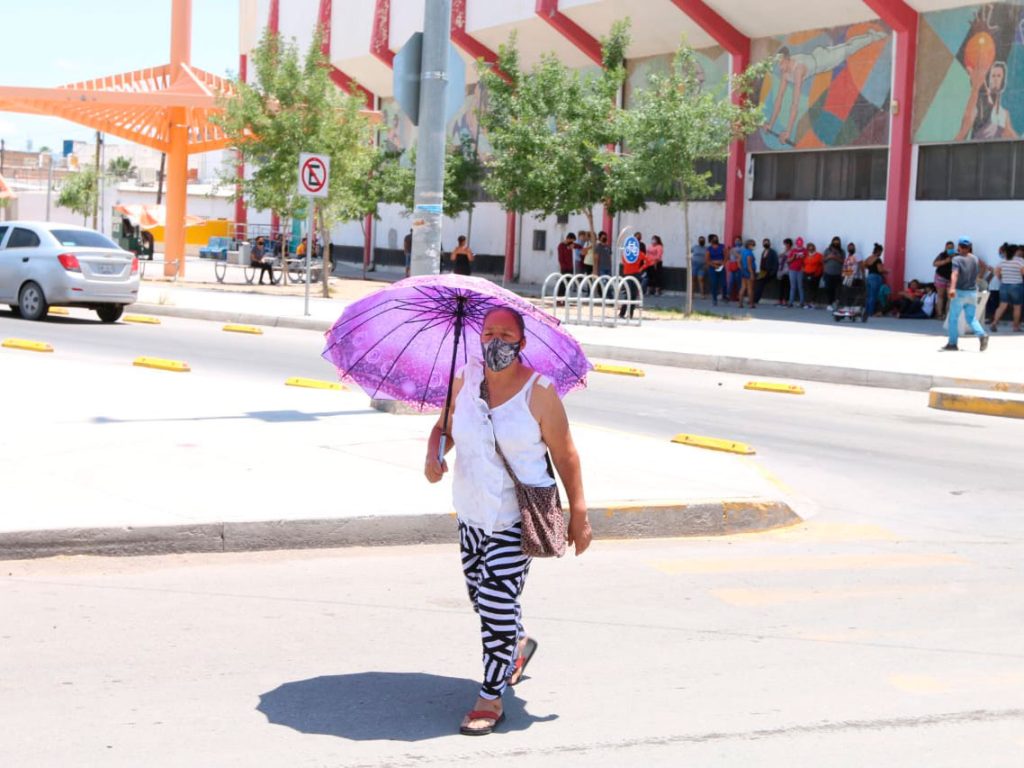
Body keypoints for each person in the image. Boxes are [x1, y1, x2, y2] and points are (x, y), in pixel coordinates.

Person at [424, 306, 591, 736]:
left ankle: (490, 697)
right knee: (481, 599)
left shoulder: (540, 391)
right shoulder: (464, 380)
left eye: (505, 334)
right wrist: (433, 453)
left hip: (516, 517)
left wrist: (580, 515)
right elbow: (442, 427)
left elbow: (566, 455)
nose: (496, 341)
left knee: (496, 606)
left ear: (521, 342)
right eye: (489, 332)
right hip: (471, 513)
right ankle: (516, 644)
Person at [941, 238, 989, 352]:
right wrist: (979, 278)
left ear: (959, 247)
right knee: (971, 318)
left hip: (960, 292)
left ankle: (952, 343)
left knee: (953, 318)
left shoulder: (957, 259)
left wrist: (952, 288)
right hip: (972, 292)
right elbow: (984, 266)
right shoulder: (975, 258)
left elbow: (955, 273)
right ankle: (982, 335)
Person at [990, 244, 1024, 332]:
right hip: (1016, 285)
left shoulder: (1003, 261)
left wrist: (1002, 279)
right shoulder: (1020, 261)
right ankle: (1015, 327)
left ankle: (994, 323)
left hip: (1004, 285)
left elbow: (996, 272)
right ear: (1015, 251)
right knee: (1017, 307)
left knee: (1002, 306)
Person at [619, 235, 647, 318]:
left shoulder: (627, 254)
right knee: (633, 294)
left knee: (628, 294)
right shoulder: (639, 254)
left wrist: (639, 268)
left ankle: (623, 313)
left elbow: (624, 262)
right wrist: (641, 268)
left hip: (627, 274)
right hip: (635, 274)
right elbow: (648, 261)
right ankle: (630, 314)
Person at [933, 241, 955, 320]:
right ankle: (939, 314)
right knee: (941, 296)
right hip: (940, 276)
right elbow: (934, 264)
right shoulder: (942, 255)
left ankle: (947, 315)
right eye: (948, 248)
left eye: (952, 247)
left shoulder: (956, 256)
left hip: (951, 278)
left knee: (950, 297)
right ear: (945, 247)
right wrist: (946, 261)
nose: (950, 249)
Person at [863, 243, 887, 317]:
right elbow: (880, 270)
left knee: (869, 295)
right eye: (881, 252)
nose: (881, 253)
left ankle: (866, 311)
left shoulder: (869, 258)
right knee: (873, 295)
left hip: (869, 276)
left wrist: (870, 268)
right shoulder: (878, 259)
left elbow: (864, 265)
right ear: (879, 251)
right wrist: (886, 271)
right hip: (876, 277)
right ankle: (871, 312)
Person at [754, 238, 778, 308]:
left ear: (769, 244)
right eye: (764, 243)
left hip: (769, 271)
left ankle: (755, 299)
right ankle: (755, 298)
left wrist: (773, 271)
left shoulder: (772, 252)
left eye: (767, 242)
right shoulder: (763, 252)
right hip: (763, 271)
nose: (766, 244)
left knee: (760, 284)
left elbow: (775, 262)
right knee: (759, 284)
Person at [822, 236, 844, 310]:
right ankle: (829, 303)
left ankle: (834, 303)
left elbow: (843, 261)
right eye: (835, 241)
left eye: (837, 241)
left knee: (836, 289)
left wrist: (835, 257)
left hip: (837, 273)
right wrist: (829, 257)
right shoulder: (827, 250)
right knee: (828, 289)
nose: (836, 243)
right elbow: (823, 260)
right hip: (828, 273)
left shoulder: (842, 251)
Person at [787, 237, 807, 308]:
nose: (799, 244)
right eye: (798, 243)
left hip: (800, 270)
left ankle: (802, 302)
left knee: (800, 286)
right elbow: (788, 260)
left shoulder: (805, 250)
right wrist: (794, 257)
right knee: (793, 286)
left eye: (800, 243)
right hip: (792, 269)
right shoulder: (793, 250)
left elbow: (807, 260)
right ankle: (790, 302)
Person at [706, 234, 726, 306]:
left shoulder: (722, 246)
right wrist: (714, 265)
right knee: (714, 283)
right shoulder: (709, 249)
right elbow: (707, 260)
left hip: (721, 266)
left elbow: (726, 256)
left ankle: (724, 296)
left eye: (716, 238)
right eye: (714, 238)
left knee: (724, 283)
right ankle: (714, 299)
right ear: (710, 240)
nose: (715, 239)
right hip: (712, 268)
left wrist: (723, 264)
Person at [802, 242, 823, 308]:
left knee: (814, 289)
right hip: (806, 273)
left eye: (812, 248)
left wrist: (819, 273)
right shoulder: (806, 255)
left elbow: (822, 264)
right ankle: (807, 303)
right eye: (809, 248)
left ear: (814, 248)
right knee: (807, 289)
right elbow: (803, 264)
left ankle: (813, 303)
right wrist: (803, 270)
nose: (810, 249)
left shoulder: (819, 255)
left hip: (815, 274)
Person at [737, 239, 757, 308]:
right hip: (749, 271)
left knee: (743, 287)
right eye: (753, 245)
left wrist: (742, 269)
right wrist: (751, 274)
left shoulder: (743, 251)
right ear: (749, 245)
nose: (753, 246)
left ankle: (740, 304)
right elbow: (749, 264)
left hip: (744, 271)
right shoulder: (749, 253)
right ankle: (751, 304)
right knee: (750, 288)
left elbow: (739, 261)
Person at [725, 236, 743, 302]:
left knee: (739, 282)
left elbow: (740, 257)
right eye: (736, 240)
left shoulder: (742, 249)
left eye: (738, 240)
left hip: (739, 267)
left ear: (741, 241)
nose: (737, 241)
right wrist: (728, 251)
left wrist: (733, 252)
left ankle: (739, 296)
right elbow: (729, 258)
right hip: (732, 266)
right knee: (731, 281)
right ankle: (728, 295)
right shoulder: (733, 248)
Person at [777, 238, 792, 306]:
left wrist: (785, 255)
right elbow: (780, 260)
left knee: (787, 286)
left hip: (788, 271)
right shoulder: (784, 252)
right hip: (782, 271)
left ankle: (785, 300)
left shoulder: (792, 252)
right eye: (785, 244)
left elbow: (790, 260)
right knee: (781, 286)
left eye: (787, 244)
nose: (786, 245)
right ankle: (780, 299)